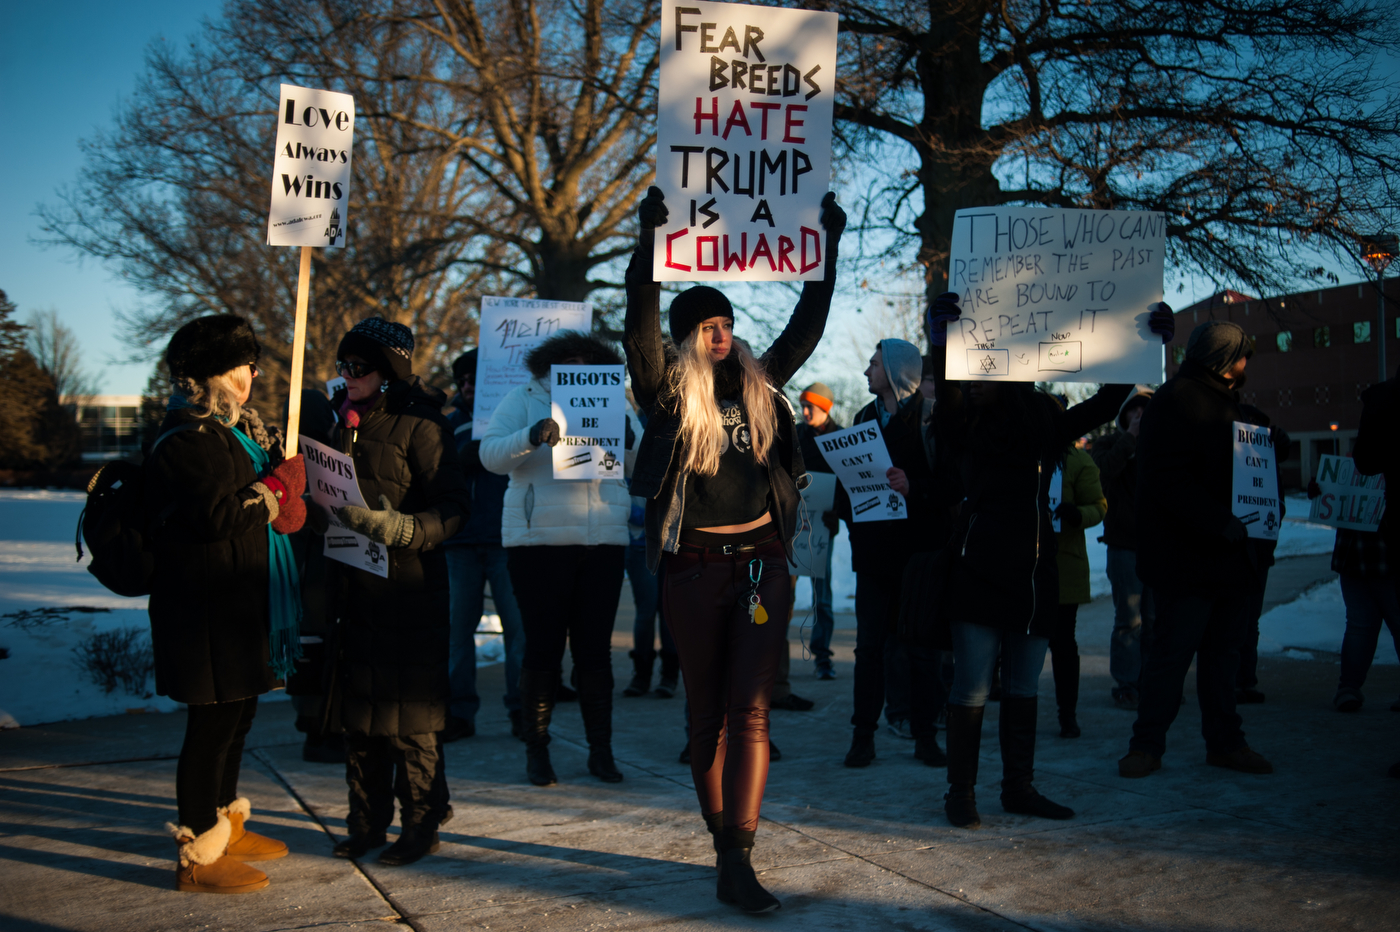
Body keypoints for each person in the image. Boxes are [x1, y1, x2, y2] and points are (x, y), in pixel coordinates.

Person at [624, 185, 845, 913]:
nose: (721, 334)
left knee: (752, 711)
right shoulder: (664, 393)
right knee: (705, 715)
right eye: (707, 325)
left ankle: (740, 859)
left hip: (762, 568)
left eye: (726, 322)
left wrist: (828, 247)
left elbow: (806, 327)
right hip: (691, 570)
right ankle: (723, 846)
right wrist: (649, 247)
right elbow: (639, 331)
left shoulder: (760, 384)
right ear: (688, 336)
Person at [926, 294, 1173, 827]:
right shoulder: (964, 421)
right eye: (967, 364)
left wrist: (1144, 342)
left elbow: (1105, 406)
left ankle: (1018, 787)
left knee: (1020, 685)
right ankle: (960, 794)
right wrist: (941, 343)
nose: (973, 372)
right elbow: (946, 404)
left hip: (1035, 571)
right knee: (970, 686)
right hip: (977, 569)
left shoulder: (1042, 422)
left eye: (983, 362)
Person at [148, 315, 306, 893]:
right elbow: (217, 518)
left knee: (238, 716)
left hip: (238, 603)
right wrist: (275, 490)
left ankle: (226, 822)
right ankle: (197, 852)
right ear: (213, 371)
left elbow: (255, 503)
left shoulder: (230, 431)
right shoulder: (187, 436)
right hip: (204, 611)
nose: (253, 375)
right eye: (243, 365)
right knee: (211, 725)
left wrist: (278, 480)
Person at [322, 317, 471, 866]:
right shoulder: (338, 422)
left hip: (410, 590)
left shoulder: (423, 425)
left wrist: (408, 530)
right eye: (342, 367)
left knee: (411, 721)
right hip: (353, 589)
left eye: (357, 367)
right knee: (360, 719)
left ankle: (422, 823)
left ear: (388, 373)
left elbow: (456, 507)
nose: (347, 376)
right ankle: (365, 823)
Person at [479, 330, 642, 787]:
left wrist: (629, 442)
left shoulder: (616, 400)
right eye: (572, 362)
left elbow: (644, 465)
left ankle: (601, 753)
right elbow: (490, 456)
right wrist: (531, 436)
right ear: (552, 365)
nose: (582, 370)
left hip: (603, 541)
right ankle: (538, 751)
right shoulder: (524, 397)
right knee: (543, 649)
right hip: (538, 544)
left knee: (595, 653)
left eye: (591, 363)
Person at [1120, 320, 1274, 779]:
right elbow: (1166, 478)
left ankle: (1226, 742)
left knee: (1223, 656)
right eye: (1242, 355)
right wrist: (1218, 522)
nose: (1247, 364)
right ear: (1225, 360)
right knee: (1172, 654)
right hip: (1188, 559)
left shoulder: (1223, 401)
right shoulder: (1176, 399)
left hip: (1228, 557)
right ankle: (1146, 745)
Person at [836, 339, 949, 769]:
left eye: (874, 363)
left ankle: (926, 737)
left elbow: (952, 485)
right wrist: (851, 515)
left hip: (919, 557)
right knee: (869, 650)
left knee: (922, 649)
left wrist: (913, 488)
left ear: (899, 370)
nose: (867, 371)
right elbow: (851, 484)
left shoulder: (930, 419)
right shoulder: (863, 418)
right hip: (874, 556)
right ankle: (862, 735)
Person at [442, 349, 527, 741]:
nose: (469, 387)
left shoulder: (513, 421)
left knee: (518, 631)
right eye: (463, 381)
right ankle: (459, 712)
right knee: (458, 632)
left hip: (506, 539)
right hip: (460, 542)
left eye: (476, 380)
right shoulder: (451, 423)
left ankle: (522, 709)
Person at [1349, 363, 1400, 778]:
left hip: (1385, 555)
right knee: (1362, 626)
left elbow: (1366, 459)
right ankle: (1349, 686)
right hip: (1365, 560)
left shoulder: (1384, 401)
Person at [1091, 388, 1155, 709]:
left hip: (1158, 547)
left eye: (1146, 411)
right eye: (1135, 411)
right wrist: (1129, 439)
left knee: (1155, 620)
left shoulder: (1162, 448)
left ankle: (1155, 682)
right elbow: (1102, 473)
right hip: (1123, 546)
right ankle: (1127, 683)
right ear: (1124, 415)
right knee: (1129, 620)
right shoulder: (1109, 444)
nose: (1141, 417)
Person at [1048, 440, 1107, 739]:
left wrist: (1077, 514)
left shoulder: (1077, 460)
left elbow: (1098, 506)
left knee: (1062, 644)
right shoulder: (1016, 450)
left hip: (1063, 567)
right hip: (1020, 565)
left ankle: (1066, 715)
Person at [623, 394, 679, 698]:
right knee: (646, 610)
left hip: (671, 537)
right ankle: (641, 673)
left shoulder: (678, 425)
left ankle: (669, 675)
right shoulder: (630, 423)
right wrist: (634, 513)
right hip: (639, 538)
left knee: (668, 610)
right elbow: (619, 475)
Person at [1234, 404, 1289, 705]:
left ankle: (1245, 680)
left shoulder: (1267, 466)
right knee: (1232, 619)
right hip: (1233, 550)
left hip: (1259, 551)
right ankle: (1232, 680)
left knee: (1249, 620)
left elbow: (1277, 504)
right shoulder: (1229, 461)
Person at [795, 382, 842, 679]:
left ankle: (822, 656)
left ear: (825, 407)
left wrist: (837, 512)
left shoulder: (841, 438)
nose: (805, 411)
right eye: (803, 405)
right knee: (780, 593)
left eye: (810, 406)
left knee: (821, 595)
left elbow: (848, 481)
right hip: (793, 522)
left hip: (823, 526)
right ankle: (773, 659)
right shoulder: (796, 435)